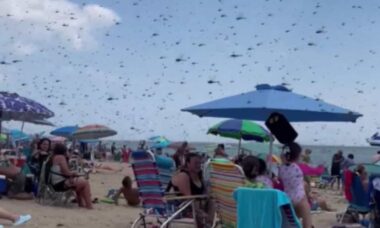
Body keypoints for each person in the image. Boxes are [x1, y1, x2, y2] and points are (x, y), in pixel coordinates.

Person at [170, 153, 214, 227]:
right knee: (198, 203)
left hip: (196, 207)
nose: (198, 165)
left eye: (200, 163)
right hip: (181, 208)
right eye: (195, 163)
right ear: (188, 163)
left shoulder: (199, 175)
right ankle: (208, 224)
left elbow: (206, 193)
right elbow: (188, 198)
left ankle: (209, 224)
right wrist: (201, 212)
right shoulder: (183, 175)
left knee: (212, 201)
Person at [49, 143, 93, 209]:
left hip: (56, 182)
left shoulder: (55, 157)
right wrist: (74, 173)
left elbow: (62, 171)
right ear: (64, 150)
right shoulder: (61, 157)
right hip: (60, 183)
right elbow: (66, 172)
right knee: (85, 183)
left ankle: (81, 204)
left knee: (80, 184)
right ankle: (89, 206)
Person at [279, 142, 312, 228]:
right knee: (306, 216)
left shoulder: (281, 168)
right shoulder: (299, 166)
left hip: (287, 198)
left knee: (293, 220)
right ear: (297, 156)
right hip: (300, 198)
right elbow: (314, 171)